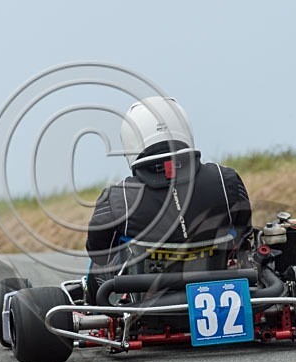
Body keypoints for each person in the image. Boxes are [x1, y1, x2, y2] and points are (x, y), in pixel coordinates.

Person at [85, 96, 252, 304]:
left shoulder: (119, 197)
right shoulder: (226, 180)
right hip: (220, 292)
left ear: (131, 139)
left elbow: (98, 253)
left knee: (99, 265)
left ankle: (95, 311)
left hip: (147, 302)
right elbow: (244, 232)